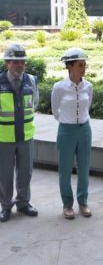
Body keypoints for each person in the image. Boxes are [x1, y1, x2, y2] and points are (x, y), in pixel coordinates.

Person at [51, 47, 93, 220]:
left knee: (84, 168)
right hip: (66, 131)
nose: (84, 68)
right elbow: (55, 111)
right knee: (65, 169)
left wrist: (80, 121)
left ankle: (83, 202)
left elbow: (87, 105)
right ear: (70, 66)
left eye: (84, 65)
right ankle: (67, 205)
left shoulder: (88, 86)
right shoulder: (59, 87)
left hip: (84, 129)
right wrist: (68, 121)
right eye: (80, 65)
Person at [0, 43, 39, 222]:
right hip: (4, 138)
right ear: (7, 62)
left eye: (22, 61)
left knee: (25, 172)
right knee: (5, 174)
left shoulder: (32, 80)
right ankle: (6, 206)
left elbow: (35, 103)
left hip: (26, 136)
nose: (19, 65)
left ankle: (23, 203)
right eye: (15, 62)